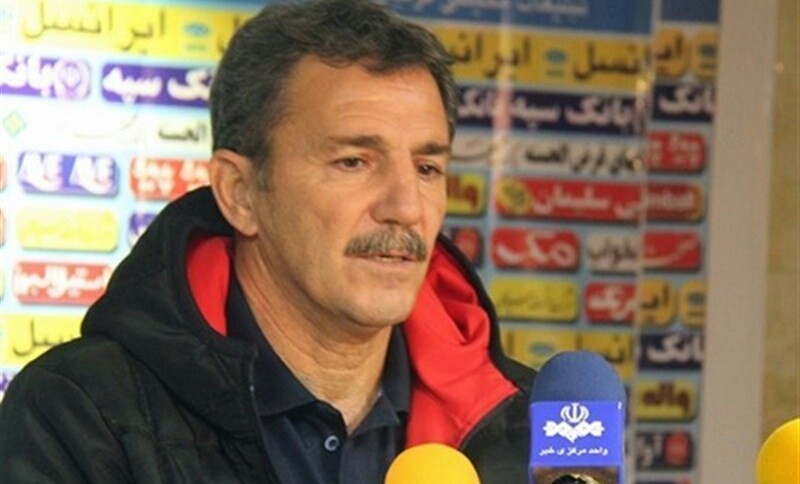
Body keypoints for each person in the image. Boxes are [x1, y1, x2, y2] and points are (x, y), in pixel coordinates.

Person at [0, 1, 535, 482]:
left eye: (427, 167)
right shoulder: (80, 415)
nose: (406, 207)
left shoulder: (528, 426)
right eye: (353, 161)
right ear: (240, 193)